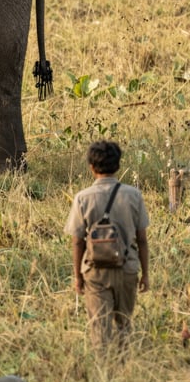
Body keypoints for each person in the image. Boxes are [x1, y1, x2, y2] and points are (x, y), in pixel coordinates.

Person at [66, 141, 150, 355]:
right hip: (127, 268)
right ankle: (122, 368)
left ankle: (103, 371)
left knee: (99, 326)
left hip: (95, 272)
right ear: (118, 165)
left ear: (91, 167)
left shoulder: (82, 198)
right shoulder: (133, 195)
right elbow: (142, 239)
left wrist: (77, 276)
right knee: (124, 323)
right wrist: (145, 274)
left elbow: (77, 240)